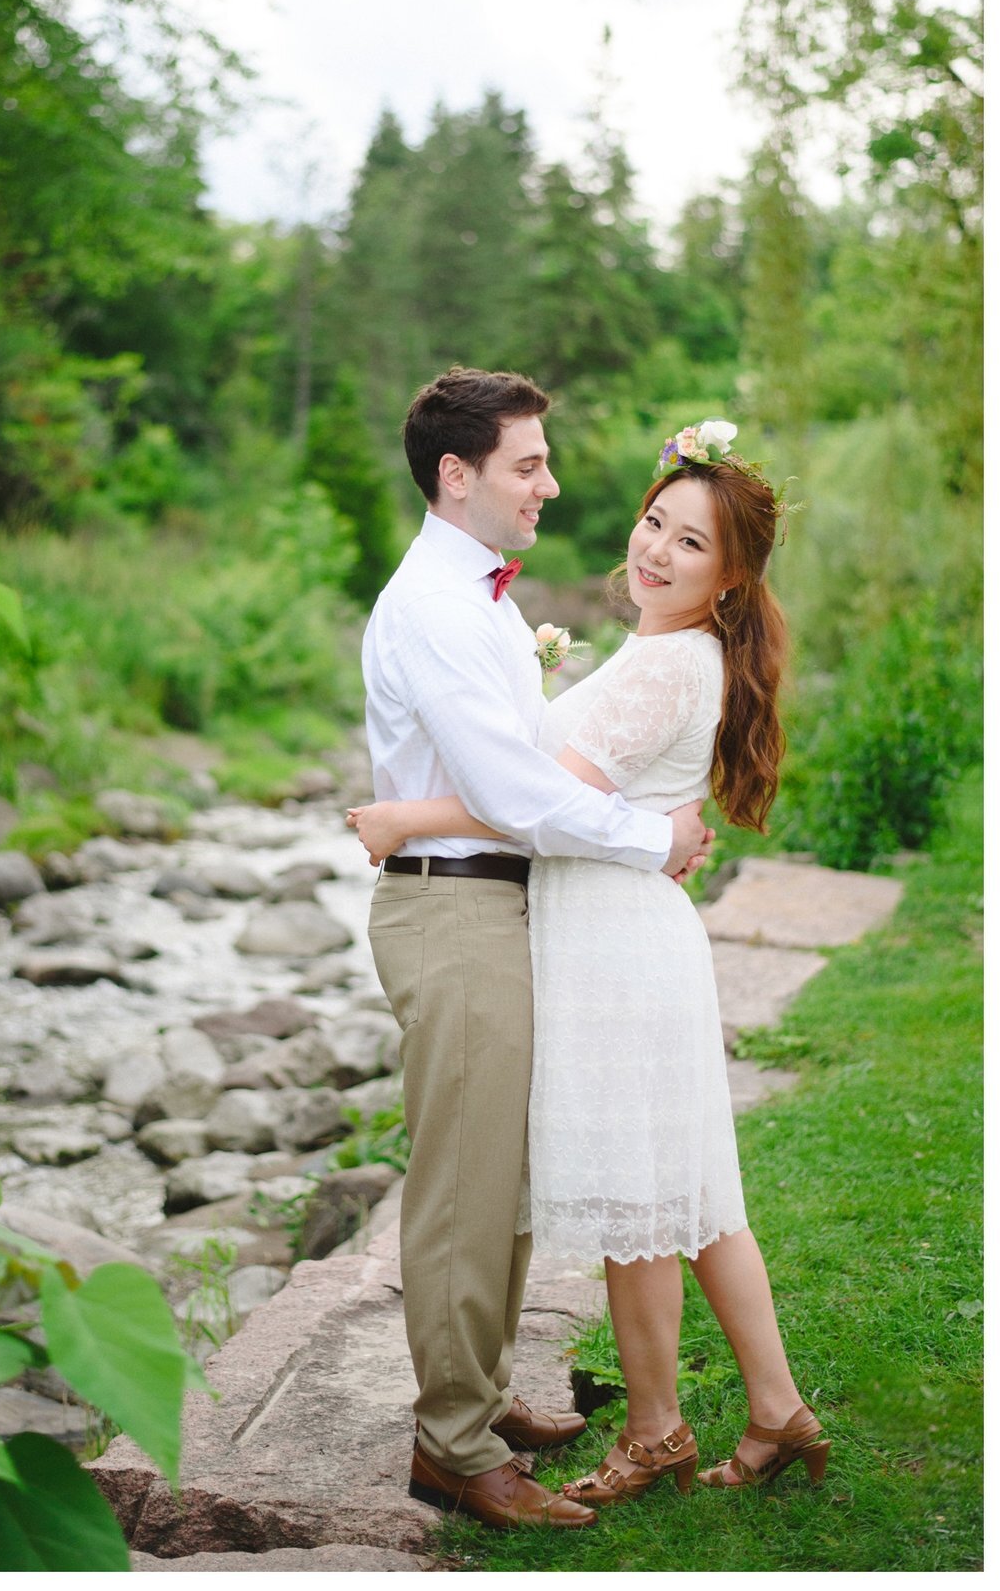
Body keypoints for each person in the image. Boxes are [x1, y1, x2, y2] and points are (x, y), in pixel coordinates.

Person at [349, 417, 828, 1508]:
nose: (654, 549)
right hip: (620, 932)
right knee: (687, 1195)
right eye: (654, 523)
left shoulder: (660, 663)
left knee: (641, 1195)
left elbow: (531, 798)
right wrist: (655, 828)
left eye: (688, 544)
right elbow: (561, 787)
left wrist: (404, 815)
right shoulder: (665, 652)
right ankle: (773, 1408)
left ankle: (658, 1426)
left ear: (729, 577)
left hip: (613, 944)